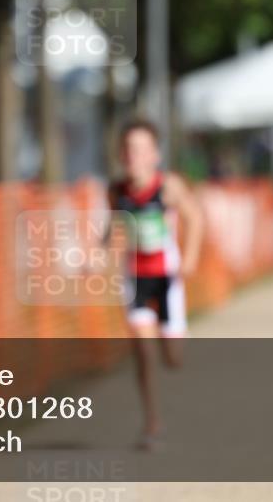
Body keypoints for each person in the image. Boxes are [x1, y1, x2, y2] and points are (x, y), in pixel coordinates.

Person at [106, 119, 202, 450]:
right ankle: (152, 423)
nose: (133, 155)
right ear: (120, 154)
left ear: (154, 155)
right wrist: (95, 255)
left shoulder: (168, 186)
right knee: (143, 352)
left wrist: (190, 257)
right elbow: (112, 228)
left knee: (172, 359)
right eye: (127, 149)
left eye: (140, 149)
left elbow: (194, 218)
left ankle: (173, 338)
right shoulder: (116, 191)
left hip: (166, 277)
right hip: (135, 279)